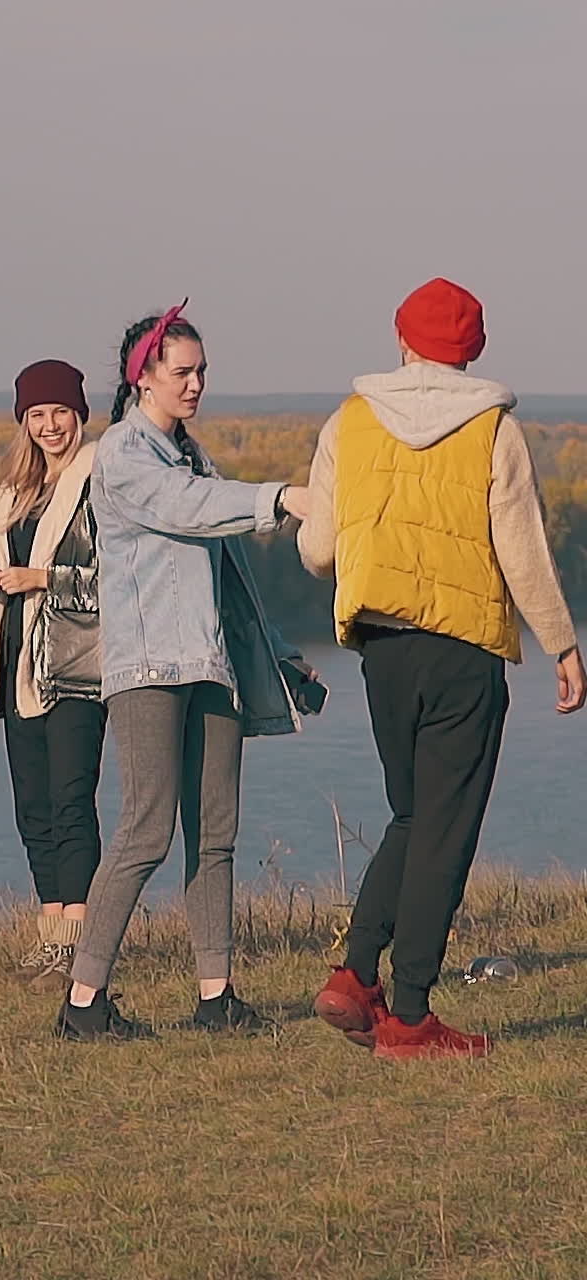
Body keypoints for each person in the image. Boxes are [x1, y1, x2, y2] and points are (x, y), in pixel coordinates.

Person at [298, 277, 586, 1061]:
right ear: (474, 351)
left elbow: (319, 551)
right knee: (445, 829)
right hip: (463, 647)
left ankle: (357, 976)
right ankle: (412, 1015)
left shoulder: (347, 423)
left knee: (412, 815)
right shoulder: (493, 430)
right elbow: (522, 550)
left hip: (382, 650)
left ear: (401, 340)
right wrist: (562, 644)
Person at [55, 300, 314, 1041]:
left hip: (211, 664)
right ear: (144, 381)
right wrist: (281, 497)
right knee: (144, 832)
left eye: (202, 371)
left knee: (216, 834)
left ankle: (215, 996)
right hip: (147, 669)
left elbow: (230, 580)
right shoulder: (126, 457)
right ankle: (82, 1005)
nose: (196, 384)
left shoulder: (192, 455)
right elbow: (190, 508)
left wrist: (280, 658)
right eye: (182, 372)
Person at [0, 361, 105, 990]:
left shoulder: (99, 484)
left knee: (71, 802)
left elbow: (115, 579)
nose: (51, 427)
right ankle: (50, 935)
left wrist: (41, 578)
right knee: (33, 810)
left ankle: (77, 944)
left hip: (78, 665)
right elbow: (3, 563)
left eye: (61, 413)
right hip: (17, 666)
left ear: (80, 415)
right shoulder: (12, 496)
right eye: (37, 416)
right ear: (23, 423)